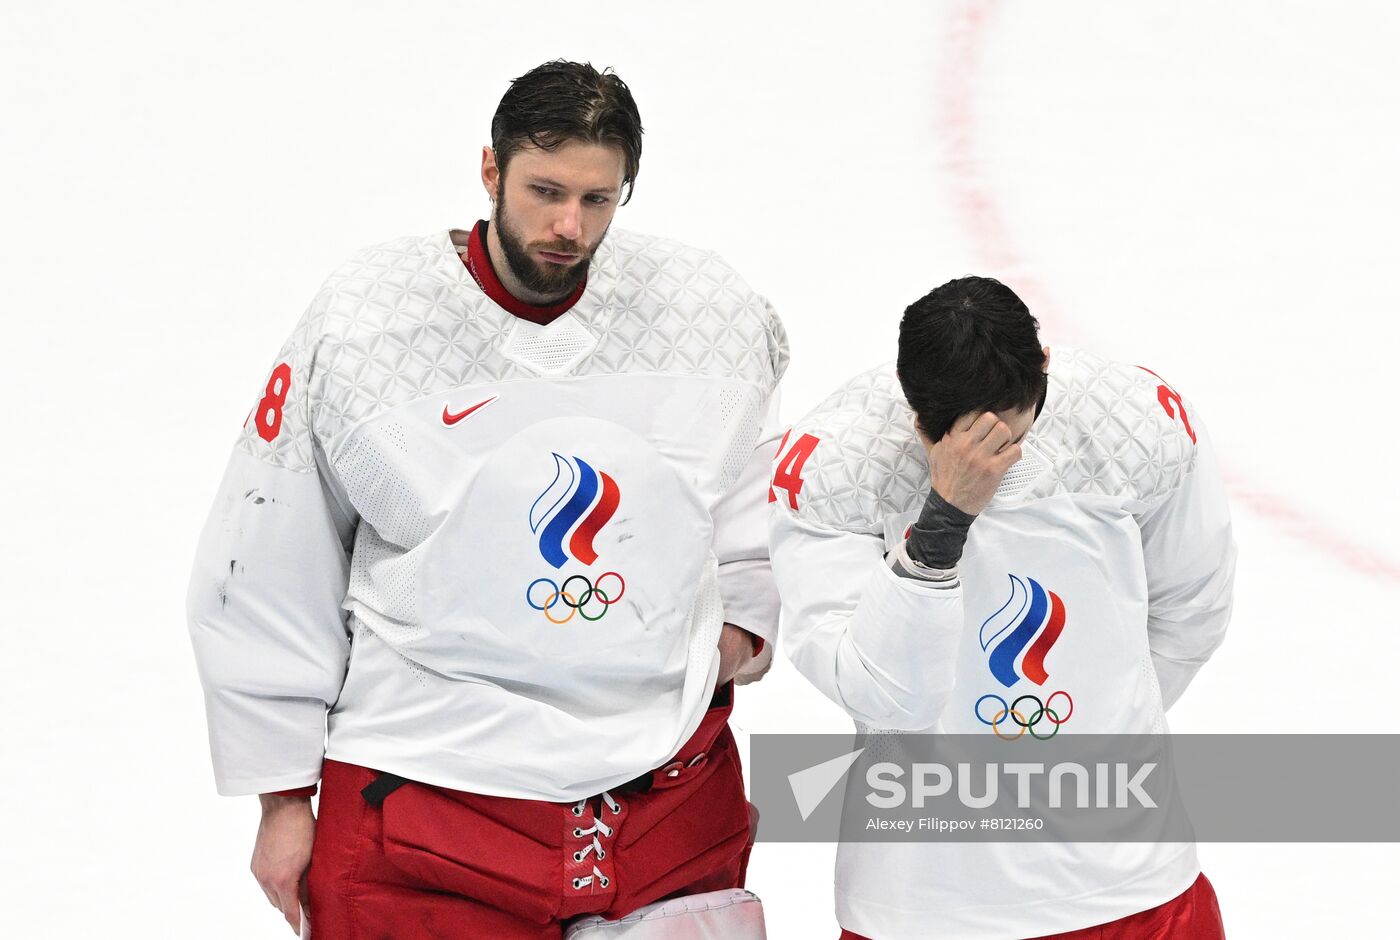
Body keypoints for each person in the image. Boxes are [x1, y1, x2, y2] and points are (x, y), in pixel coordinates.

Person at [187, 60, 786, 938]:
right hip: (426, 786)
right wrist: (283, 797)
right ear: (489, 170)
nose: (568, 225)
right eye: (545, 190)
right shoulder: (368, 323)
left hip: (661, 797)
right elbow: (272, 550)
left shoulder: (711, 315)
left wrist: (734, 630)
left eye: (599, 200)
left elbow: (751, 501)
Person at [767, 276, 1234, 939]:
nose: (995, 459)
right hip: (930, 907)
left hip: (1131, 888)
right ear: (911, 405)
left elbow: (1190, 610)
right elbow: (885, 696)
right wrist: (942, 522)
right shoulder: (834, 465)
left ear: (1044, 364)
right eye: (967, 443)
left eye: (1011, 435)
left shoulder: (1135, 421)